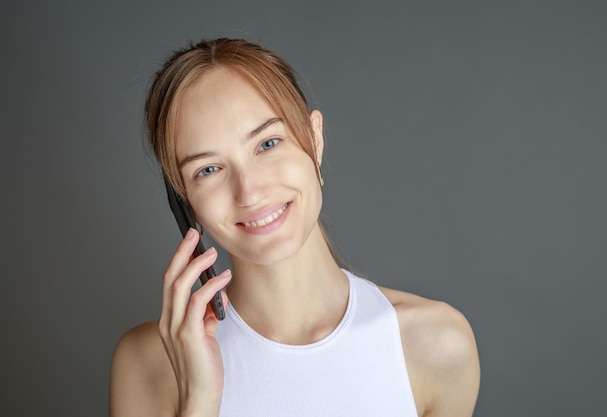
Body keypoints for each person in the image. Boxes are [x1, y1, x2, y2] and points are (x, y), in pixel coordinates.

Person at [109, 38, 480, 417]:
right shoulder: (148, 364)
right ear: (185, 203)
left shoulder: (436, 344)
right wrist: (200, 401)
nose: (249, 192)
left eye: (268, 143)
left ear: (314, 139)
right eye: (208, 169)